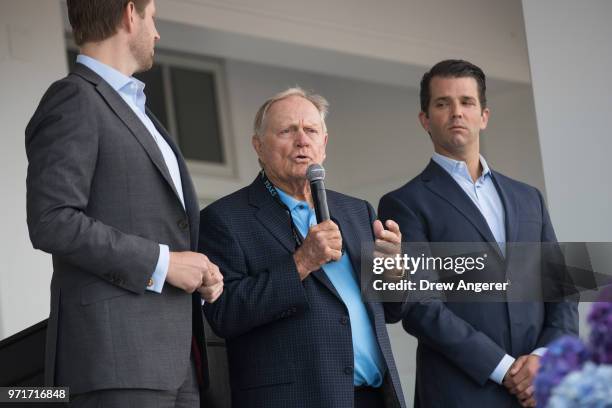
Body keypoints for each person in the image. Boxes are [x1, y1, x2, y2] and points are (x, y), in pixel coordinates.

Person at [25, 0, 223, 406]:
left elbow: (161, 225)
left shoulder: (139, 110)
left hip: (177, 359)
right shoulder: (73, 99)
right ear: (130, 14)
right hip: (114, 360)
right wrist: (165, 263)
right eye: (153, 17)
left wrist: (198, 268)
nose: (157, 31)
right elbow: (52, 220)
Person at [378, 59, 578, 408]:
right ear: (425, 119)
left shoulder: (528, 197)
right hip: (459, 393)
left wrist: (543, 360)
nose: (456, 112)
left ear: (484, 115)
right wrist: (504, 369)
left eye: (466, 102)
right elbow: (419, 306)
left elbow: (560, 287)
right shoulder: (401, 204)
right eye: (443, 103)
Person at [199, 87, 406, 408]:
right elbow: (224, 314)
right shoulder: (225, 219)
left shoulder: (357, 211)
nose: (301, 140)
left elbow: (391, 311)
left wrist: (393, 274)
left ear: (324, 144)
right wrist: (301, 263)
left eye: (311, 130)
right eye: (287, 131)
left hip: (374, 398)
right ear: (259, 146)